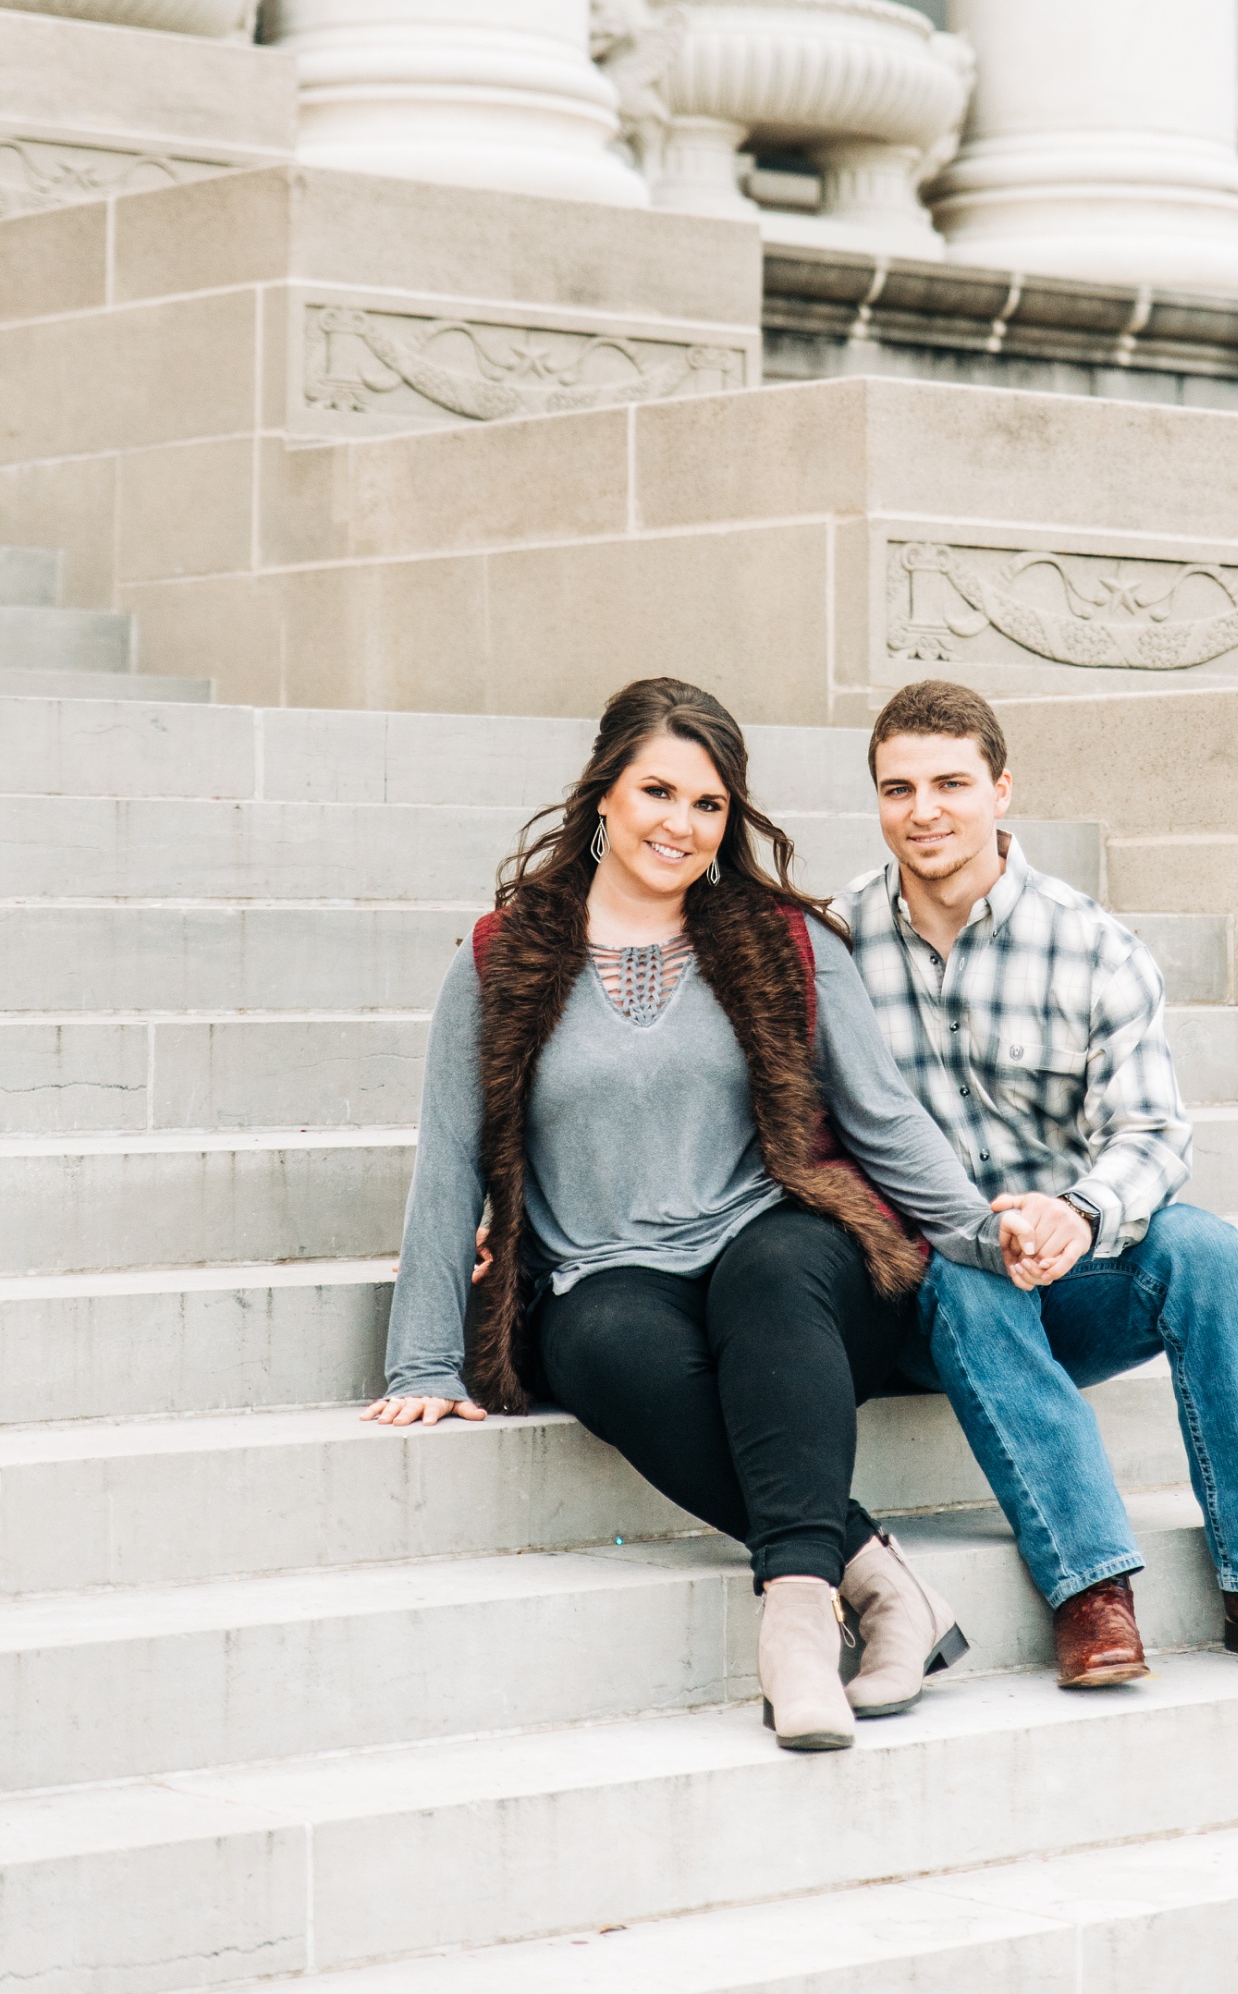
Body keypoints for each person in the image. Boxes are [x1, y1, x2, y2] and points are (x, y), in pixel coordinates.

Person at [367, 675, 1046, 1753]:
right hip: (607, 1267)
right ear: (603, 794)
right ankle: (879, 1583)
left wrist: (979, 1231)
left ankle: (791, 1632)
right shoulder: (502, 955)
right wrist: (423, 1363)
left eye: (709, 804)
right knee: (595, 1339)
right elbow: (450, 1160)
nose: (680, 826)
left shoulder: (782, 939)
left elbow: (883, 1120)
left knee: (770, 1272)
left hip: (783, 1247)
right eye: (657, 792)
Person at [846, 678, 1238, 1686]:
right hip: (923, 1293)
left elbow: (1152, 1134)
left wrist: (1076, 1214)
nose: (925, 809)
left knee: (1200, 1246)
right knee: (972, 1265)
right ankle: (1090, 1589)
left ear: (1001, 790)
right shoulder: (838, 943)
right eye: (899, 787)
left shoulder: (1090, 945)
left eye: (951, 781)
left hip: (1068, 1275)